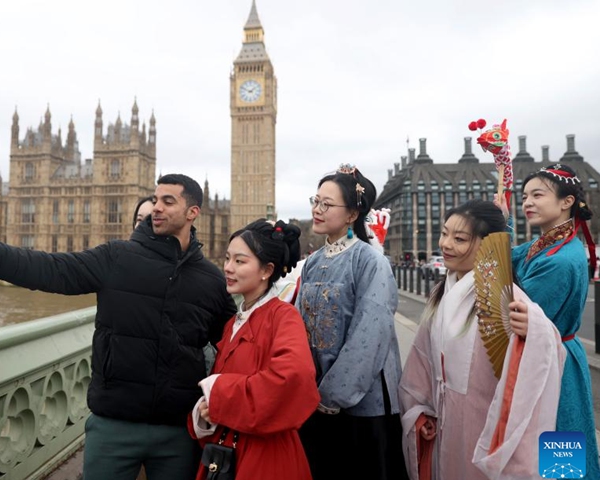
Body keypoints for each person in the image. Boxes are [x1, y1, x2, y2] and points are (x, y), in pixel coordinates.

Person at [0, 173, 236, 480]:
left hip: (179, 429)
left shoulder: (211, 280)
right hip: (114, 424)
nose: (157, 208)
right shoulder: (116, 257)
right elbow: (52, 270)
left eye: (168, 201)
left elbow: (235, 344)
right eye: (154, 200)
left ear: (193, 212)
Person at [399, 200, 564, 480]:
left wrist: (535, 329)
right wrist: (423, 410)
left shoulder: (507, 297)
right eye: (444, 233)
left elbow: (549, 353)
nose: (446, 244)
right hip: (445, 419)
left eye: (460, 238)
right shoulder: (442, 291)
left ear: (488, 245)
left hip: (485, 421)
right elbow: (423, 359)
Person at [296, 164, 407, 480]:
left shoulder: (370, 260)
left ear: (352, 215)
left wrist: (334, 395)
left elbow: (370, 334)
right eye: (315, 201)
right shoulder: (314, 262)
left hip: (361, 403)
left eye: (326, 204)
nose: (317, 210)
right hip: (316, 400)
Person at [190, 219, 320, 480]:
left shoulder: (283, 317)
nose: (227, 268)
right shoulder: (232, 324)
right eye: (227, 259)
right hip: (226, 455)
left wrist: (218, 396)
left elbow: (293, 380)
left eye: (240, 261)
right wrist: (204, 412)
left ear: (266, 270)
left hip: (267, 459)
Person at [498, 163, 600, 478]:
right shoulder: (548, 245)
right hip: (551, 358)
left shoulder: (561, 260)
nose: (528, 202)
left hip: (553, 366)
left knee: (557, 454)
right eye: (525, 195)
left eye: (537, 195)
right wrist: (503, 215)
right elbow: (506, 257)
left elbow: (509, 309)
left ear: (566, 201)